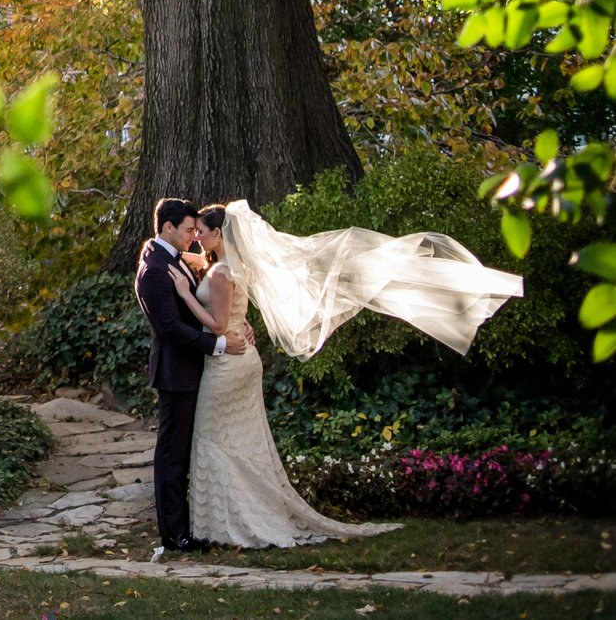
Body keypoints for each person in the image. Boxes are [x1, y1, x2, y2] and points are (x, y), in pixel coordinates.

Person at [179, 199, 524, 549]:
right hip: (242, 360)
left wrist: (186, 298)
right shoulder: (232, 268)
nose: (196, 239)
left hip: (228, 365)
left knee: (216, 438)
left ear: (218, 233)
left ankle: (230, 523)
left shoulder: (222, 273)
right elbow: (228, 307)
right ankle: (237, 518)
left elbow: (220, 324)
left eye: (201, 233)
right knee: (238, 442)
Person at [133, 197, 243, 553]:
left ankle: (190, 524)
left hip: (195, 371)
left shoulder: (170, 257)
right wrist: (220, 345)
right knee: (172, 455)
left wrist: (237, 325)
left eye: (198, 230)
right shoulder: (153, 271)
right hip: (176, 374)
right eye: (188, 230)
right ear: (167, 227)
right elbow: (171, 329)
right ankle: (174, 534)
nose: (194, 236)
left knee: (184, 452)